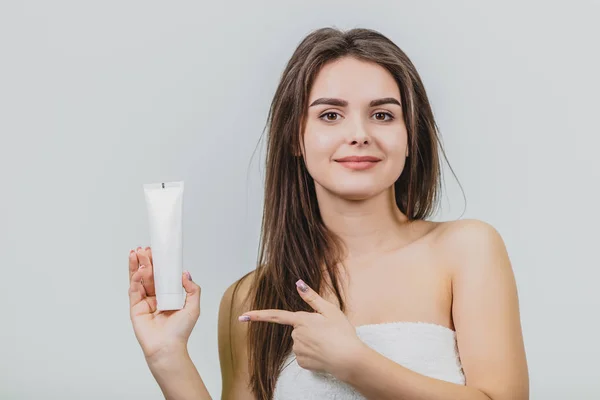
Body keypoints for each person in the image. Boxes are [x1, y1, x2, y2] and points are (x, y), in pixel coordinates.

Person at [127, 27, 529, 400]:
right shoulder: (250, 297)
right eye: (330, 115)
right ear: (295, 138)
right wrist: (168, 356)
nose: (359, 133)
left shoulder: (466, 249)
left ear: (410, 138)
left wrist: (355, 363)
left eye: (383, 114)